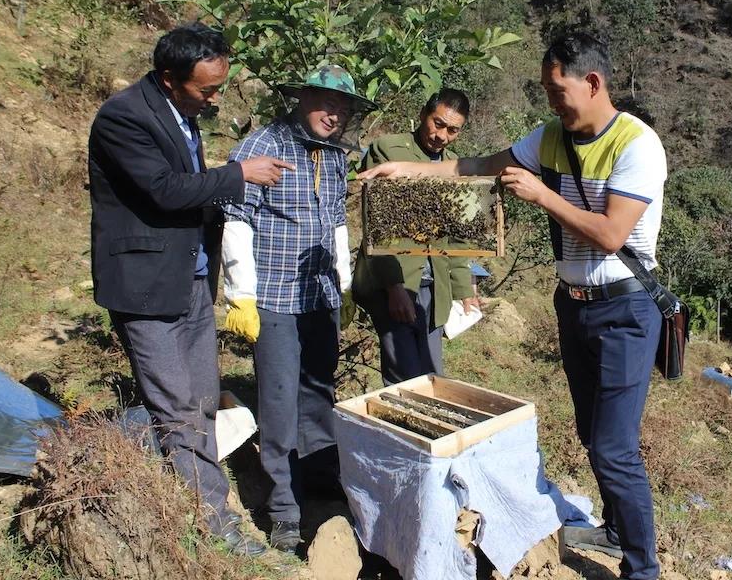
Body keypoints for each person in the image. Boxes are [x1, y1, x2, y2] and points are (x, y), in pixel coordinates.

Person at [359, 33, 667, 580]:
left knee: (616, 447)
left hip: (624, 308)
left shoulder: (637, 145)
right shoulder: (552, 136)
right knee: (592, 433)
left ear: (592, 83)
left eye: (557, 90)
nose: (551, 101)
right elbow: (477, 165)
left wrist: (543, 195)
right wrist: (407, 172)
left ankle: (643, 569)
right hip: (573, 306)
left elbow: (614, 234)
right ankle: (617, 530)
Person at [88, 22, 291, 556]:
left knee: (201, 399)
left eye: (220, 87)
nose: (215, 99)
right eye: (207, 90)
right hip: (147, 289)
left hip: (191, 280)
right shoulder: (123, 117)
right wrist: (237, 175)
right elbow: (163, 189)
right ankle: (210, 519)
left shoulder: (181, 115)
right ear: (169, 79)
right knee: (177, 405)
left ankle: (179, 481)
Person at [220, 65, 372, 553]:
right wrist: (241, 293)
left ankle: (322, 487)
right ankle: (284, 507)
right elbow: (236, 219)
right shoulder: (261, 146)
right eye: (327, 102)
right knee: (280, 403)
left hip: (320, 296)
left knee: (318, 394)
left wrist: (344, 286)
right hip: (275, 300)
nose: (336, 113)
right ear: (302, 98)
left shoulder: (335, 157)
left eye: (344, 107)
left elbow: (336, 225)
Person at [353, 89, 480, 386]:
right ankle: (401, 429)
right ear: (424, 114)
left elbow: (456, 234)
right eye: (438, 124)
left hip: (435, 286)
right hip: (396, 281)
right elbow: (378, 223)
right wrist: (393, 287)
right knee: (405, 378)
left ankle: (426, 429)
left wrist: (464, 289)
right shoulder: (389, 150)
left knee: (432, 374)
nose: (442, 136)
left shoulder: (454, 164)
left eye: (452, 130)